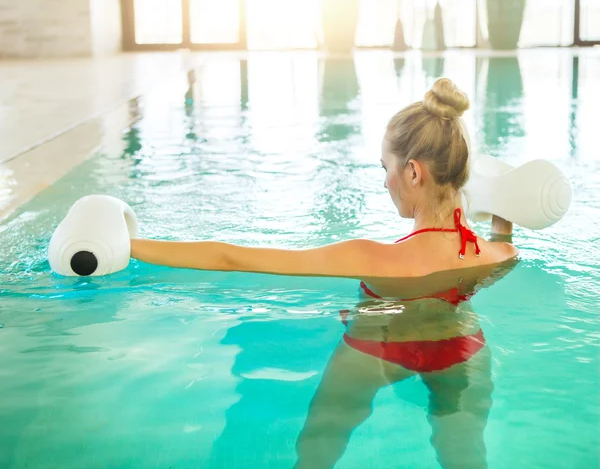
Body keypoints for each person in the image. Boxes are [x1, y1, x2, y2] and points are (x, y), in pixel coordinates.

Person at [130, 78, 519, 468]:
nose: (386, 181)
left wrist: (127, 244)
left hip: (379, 349)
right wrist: (502, 227)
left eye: (387, 168)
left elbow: (231, 259)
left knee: (317, 450)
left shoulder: (371, 257)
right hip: (462, 347)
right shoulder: (496, 254)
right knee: (468, 459)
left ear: (414, 173)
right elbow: (498, 245)